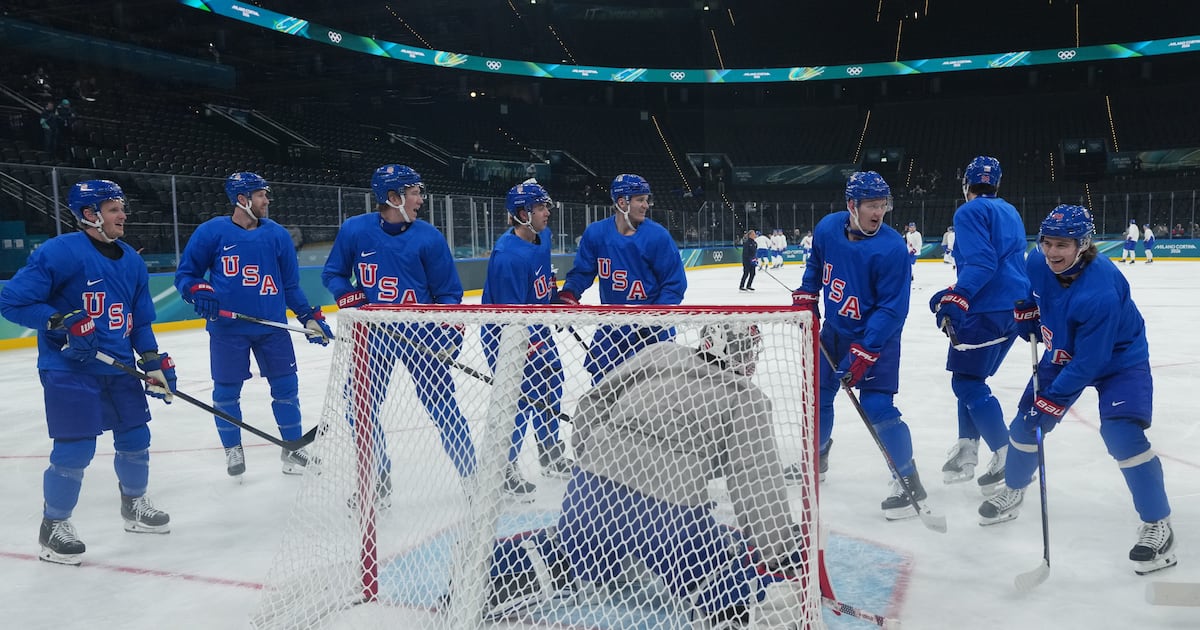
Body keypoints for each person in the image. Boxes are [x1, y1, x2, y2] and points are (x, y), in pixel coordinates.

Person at [476, 325, 809, 626]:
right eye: (748, 349)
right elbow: (755, 479)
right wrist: (778, 549)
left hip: (590, 492)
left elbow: (593, 402)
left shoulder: (660, 352)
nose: (750, 358)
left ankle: (484, 583)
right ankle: (730, 611)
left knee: (570, 556)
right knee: (717, 566)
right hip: (667, 516)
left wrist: (594, 459)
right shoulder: (746, 397)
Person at [979, 205, 1177, 576]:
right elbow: (1028, 288)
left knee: (1122, 434)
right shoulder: (1037, 261)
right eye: (1048, 243)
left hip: (1118, 359)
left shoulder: (1101, 289)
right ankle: (1015, 488)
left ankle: (1157, 523)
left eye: (1063, 245)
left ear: (1083, 245)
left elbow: (1092, 360)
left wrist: (1051, 401)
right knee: (1024, 426)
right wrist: (1026, 310)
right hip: (1063, 349)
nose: (1053, 252)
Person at [0, 180, 176, 565]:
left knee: (135, 437)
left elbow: (140, 321)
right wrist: (58, 320)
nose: (123, 215)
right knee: (76, 447)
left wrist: (152, 361)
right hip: (69, 366)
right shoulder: (60, 252)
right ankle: (54, 526)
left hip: (118, 365)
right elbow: (10, 300)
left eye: (121, 208)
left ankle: (134, 506)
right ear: (90, 214)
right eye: (114, 209)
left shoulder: (131, 259)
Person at [321, 164, 476, 501]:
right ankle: (378, 476)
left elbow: (448, 293)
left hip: (421, 338)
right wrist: (348, 295)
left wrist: (450, 334)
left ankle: (471, 478)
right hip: (373, 337)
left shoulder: (429, 237)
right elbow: (333, 273)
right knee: (359, 407)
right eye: (415, 192)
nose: (421, 198)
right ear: (393, 197)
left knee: (443, 407)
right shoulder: (355, 231)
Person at [788, 171, 927, 519]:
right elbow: (816, 264)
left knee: (878, 408)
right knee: (819, 397)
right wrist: (808, 290)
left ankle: (909, 480)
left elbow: (893, 307)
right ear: (852, 205)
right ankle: (816, 457)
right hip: (835, 332)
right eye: (871, 205)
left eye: (883, 205)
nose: (878, 212)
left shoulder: (892, 247)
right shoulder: (827, 228)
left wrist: (867, 348)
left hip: (875, 339)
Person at [174, 172, 331, 479]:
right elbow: (186, 276)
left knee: (287, 388)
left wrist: (308, 316)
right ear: (242, 199)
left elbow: (290, 285)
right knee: (227, 392)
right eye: (261, 195)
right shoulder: (211, 232)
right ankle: (233, 447)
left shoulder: (278, 235)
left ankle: (292, 446)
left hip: (273, 328)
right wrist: (197, 291)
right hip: (227, 329)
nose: (267, 200)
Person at [929, 156, 1029, 493]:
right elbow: (1005, 262)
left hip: (985, 307)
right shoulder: (1010, 211)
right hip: (1013, 308)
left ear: (966, 184)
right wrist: (953, 291)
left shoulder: (968, 211)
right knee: (970, 377)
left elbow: (983, 263)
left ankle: (1007, 453)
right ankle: (967, 451)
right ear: (997, 184)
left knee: (966, 385)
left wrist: (958, 298)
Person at [480, 179, 574, 498]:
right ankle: (504, 467)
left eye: (546, 206)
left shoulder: (541, 236)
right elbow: (510, 316)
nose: (547, 212)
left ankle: (549, 453)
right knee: (519, 400)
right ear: (522, 213)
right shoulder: (508, 256)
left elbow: (542, 278)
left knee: (552, 384)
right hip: (506, 335)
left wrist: (552, 297)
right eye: (540, 207)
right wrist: (533, 341)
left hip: (536, 326)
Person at [557, 174, 687, 384]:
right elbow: (583, 272)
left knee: (654, 397)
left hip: (653, 330)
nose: (646, 205)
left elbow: (674, 285)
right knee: (602, 390)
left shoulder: (658, 236)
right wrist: (570, 292)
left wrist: (652, 318)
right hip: (613, 327)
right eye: (640, 200)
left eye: (647, 199)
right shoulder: (596, 234)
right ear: (621, 202)